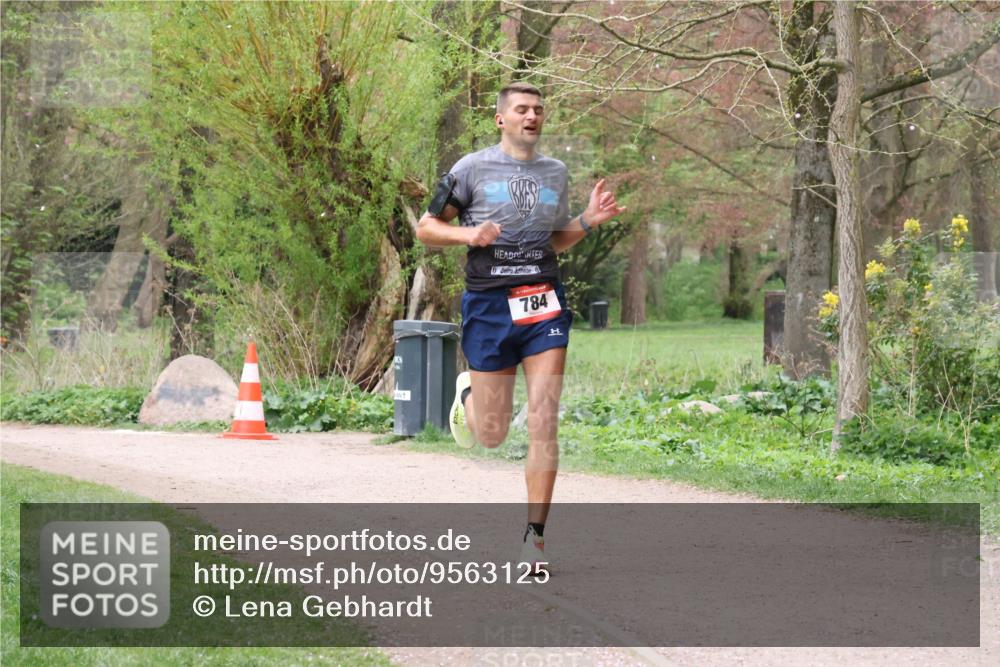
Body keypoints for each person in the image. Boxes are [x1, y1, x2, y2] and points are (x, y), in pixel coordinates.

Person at [416, 81, 625, 571]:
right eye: (522, 109)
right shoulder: (469, 168)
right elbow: (426, 228)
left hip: (542, 305)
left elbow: (553, 242)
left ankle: (535, 537)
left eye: (538, 109)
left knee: (544, 417)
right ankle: (469, 397)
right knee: (490, 434)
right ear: (501, 119)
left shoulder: (556, 172)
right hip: (489, 305)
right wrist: (470, 232)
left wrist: (588, 220)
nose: (532, 116)